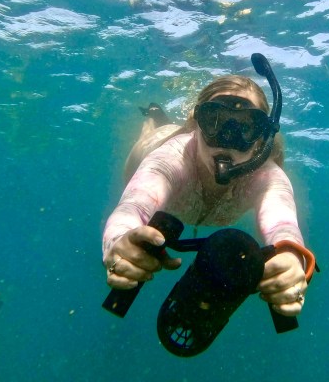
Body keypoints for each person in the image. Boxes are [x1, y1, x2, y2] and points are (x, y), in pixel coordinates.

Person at [102, 54, 314, 317]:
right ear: (196, 122)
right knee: (149, 134)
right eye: (214, 121)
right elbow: (132, 206)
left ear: (262, 138)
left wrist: (292, 258)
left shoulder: (268, 177)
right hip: (150, 148)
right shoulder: (170, 159)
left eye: (246, 128)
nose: (226, 140)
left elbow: (284, 226)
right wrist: (117, 241)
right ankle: (155, 120)